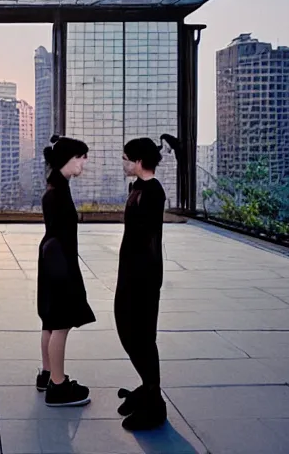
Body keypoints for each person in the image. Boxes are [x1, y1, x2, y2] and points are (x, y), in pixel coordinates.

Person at [36, 134, 96, 407]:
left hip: (52, 256)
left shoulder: (57, 185)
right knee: (61, 323)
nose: (83, 162)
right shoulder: (58, 191)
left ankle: (48, 373)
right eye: (80, 157)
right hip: (59, 259)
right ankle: (58, 387)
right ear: (67, 160)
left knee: (51, 320)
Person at [115, 137, 167, 431]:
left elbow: (148, 241)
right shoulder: (137, 188)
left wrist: (142, 279)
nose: (123, 163)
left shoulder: (152, 191)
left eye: (125, 158)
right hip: (130, 273)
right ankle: (147, 388)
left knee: (142, 337)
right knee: (129, 331)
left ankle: (154, 402)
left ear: (137, 161)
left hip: (143, 276)